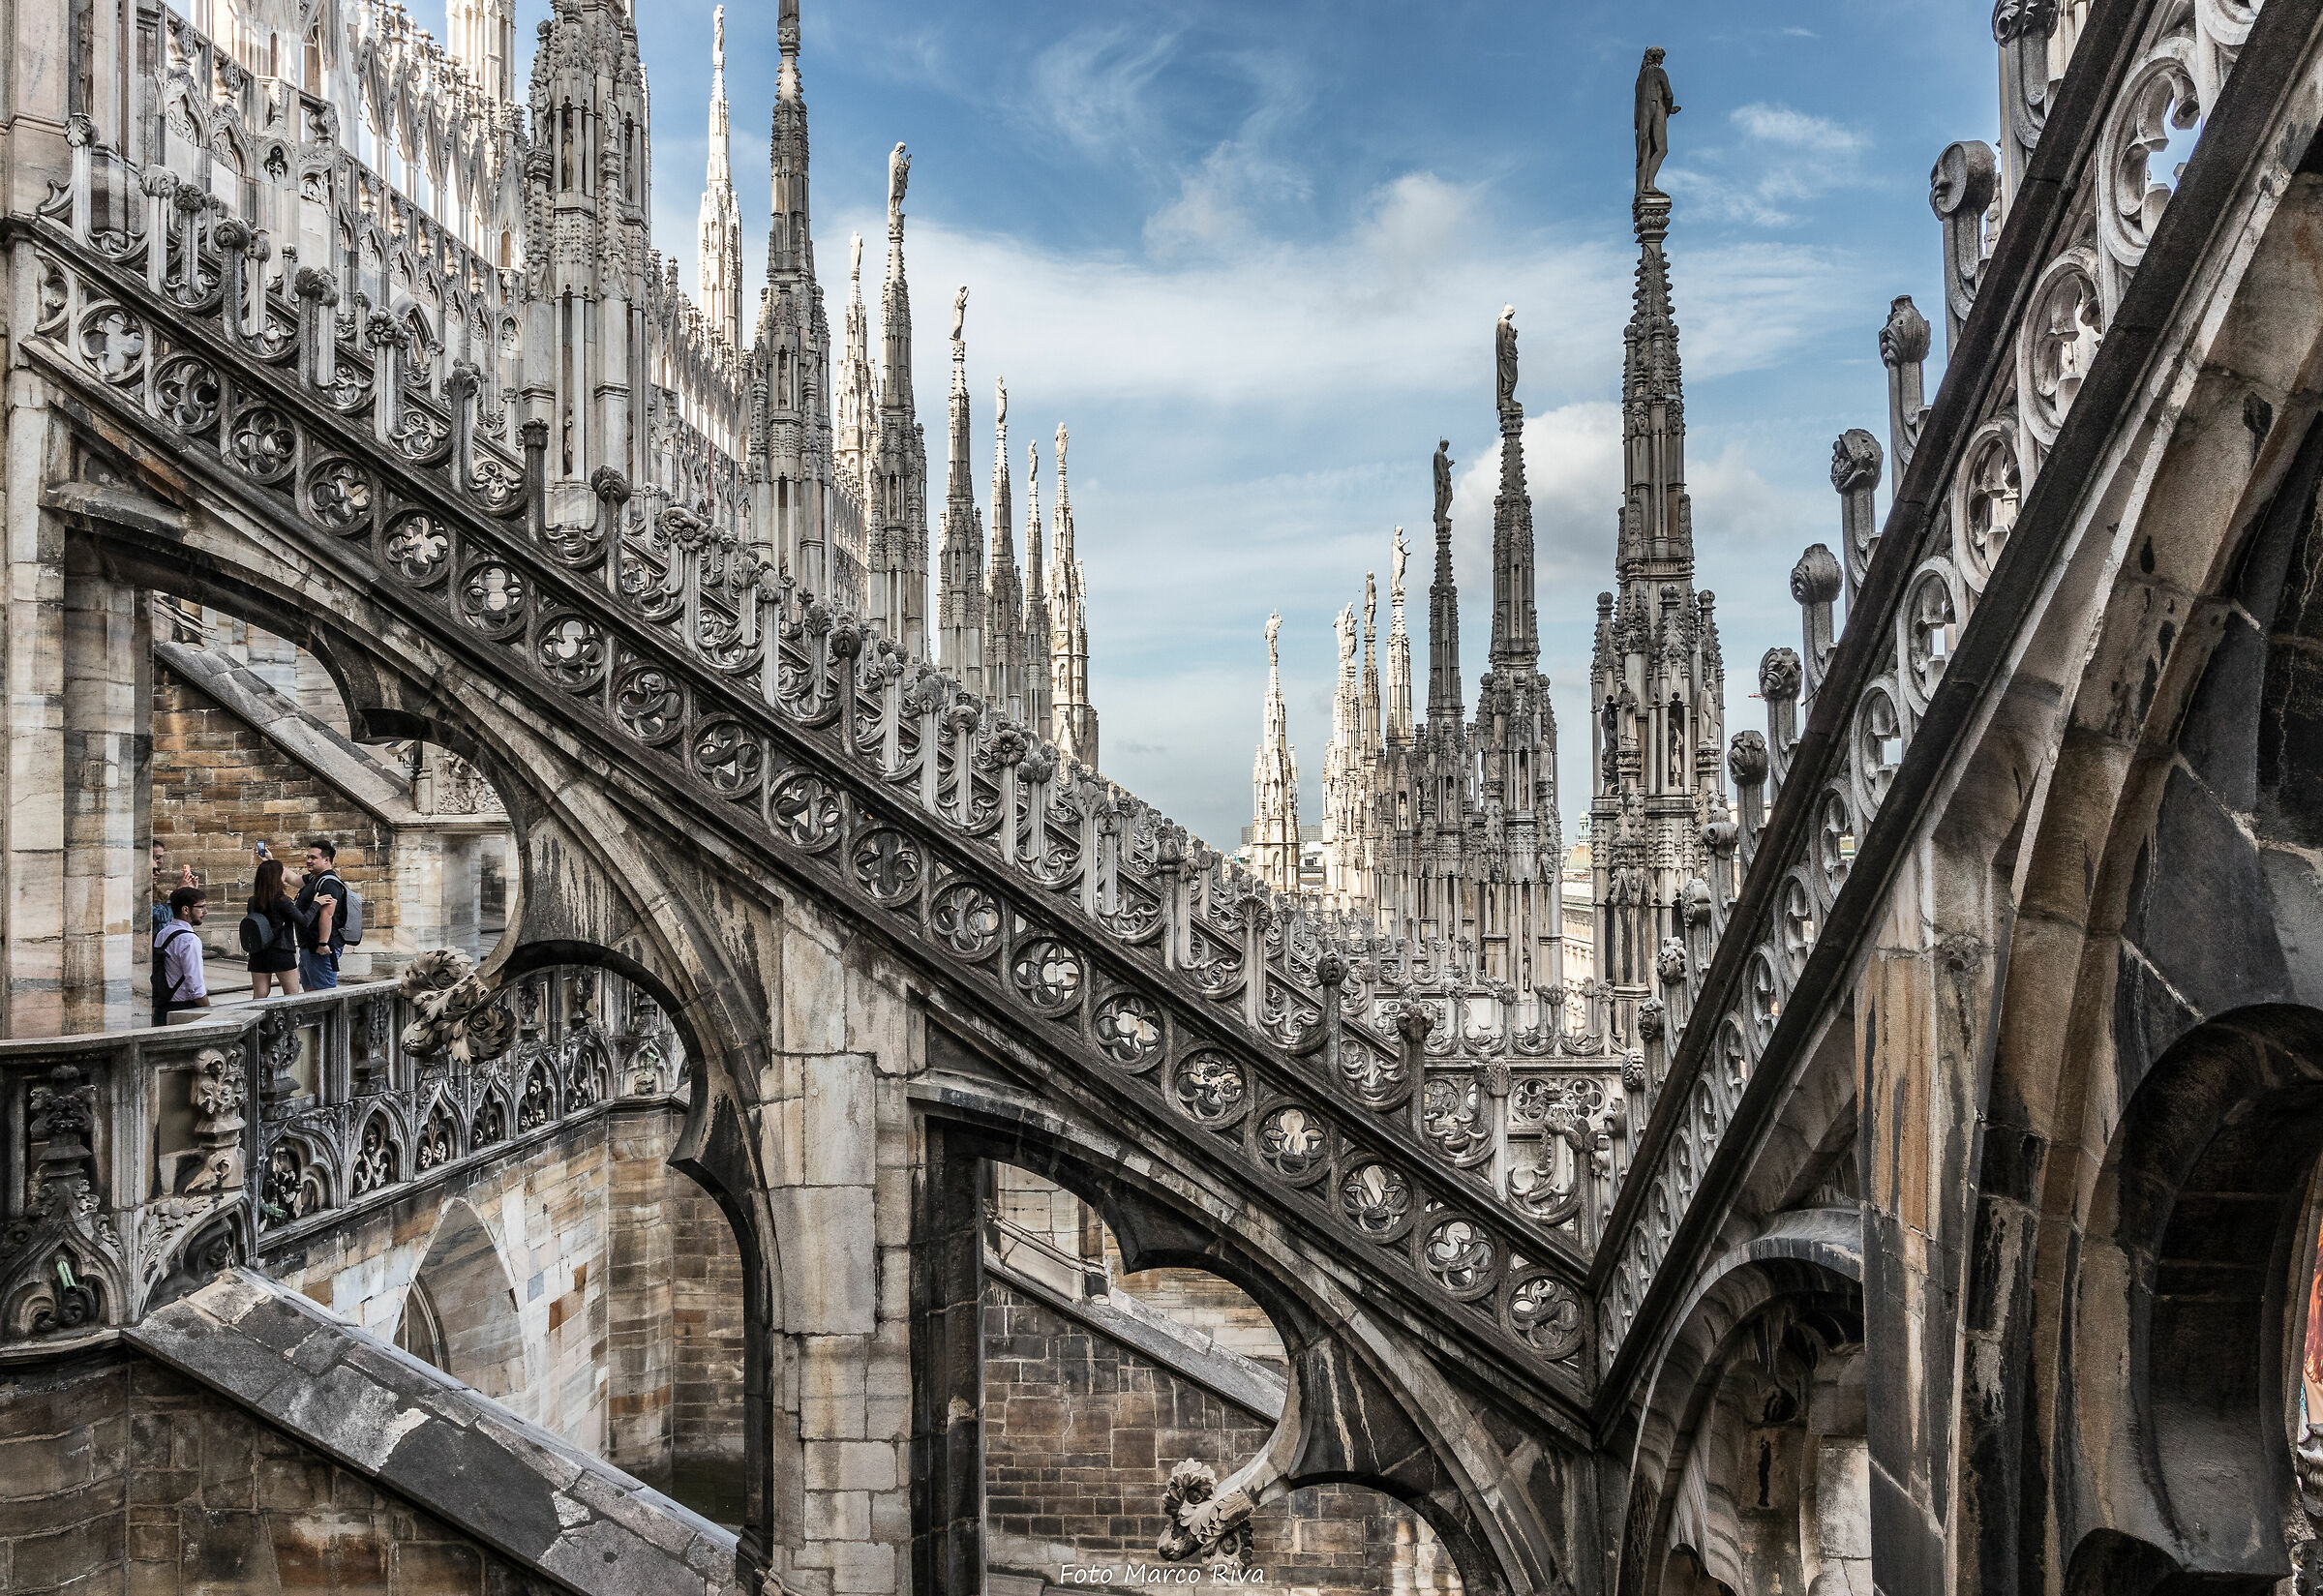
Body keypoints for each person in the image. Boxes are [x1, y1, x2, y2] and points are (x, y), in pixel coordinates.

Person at [245, 856, 311, 999]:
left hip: (258, 952)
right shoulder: (282, 901)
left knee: (260, 995)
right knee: (291, 994)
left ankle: (259, 1022)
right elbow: (304, 921)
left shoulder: (252, 901)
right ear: (277, 877)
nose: (285, 874)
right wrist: (316, 903)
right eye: (282, 872)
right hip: (281, 950)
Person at [152, 886, 211, 1027]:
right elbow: (195, 985)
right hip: (184, 1008)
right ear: (185, 910)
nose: (205, 911)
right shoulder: (190, 940)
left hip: (163, 1007)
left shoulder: (163, 933)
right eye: (201, 907)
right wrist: (210, 1011)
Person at [294, 837, 346, 991]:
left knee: (324, 994)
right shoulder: (313, 878)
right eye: (308, 857)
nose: (309, 860)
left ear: (326, 860)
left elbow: (327, 915)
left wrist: (323, 944)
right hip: (309, 947)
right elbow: (292, 878)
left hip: (320, 949)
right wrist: (269, 860)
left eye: (313, 857)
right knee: (310, 993)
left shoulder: (329, 883)